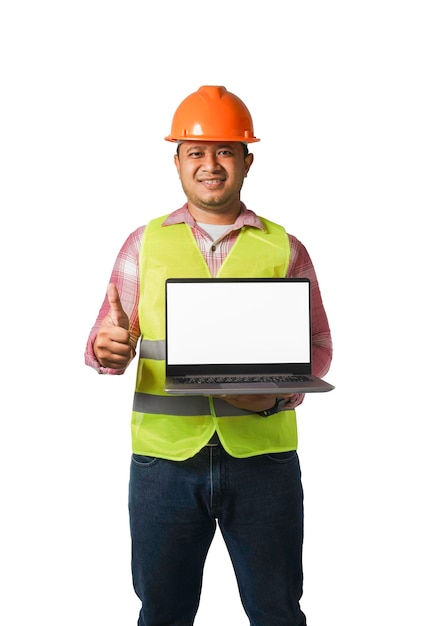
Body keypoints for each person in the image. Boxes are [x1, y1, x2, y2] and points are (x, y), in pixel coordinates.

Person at [85, 85, 333, 626]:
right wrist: (108, 348)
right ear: (177, 161)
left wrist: (271, 397)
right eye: (196, 152)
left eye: (225, 150)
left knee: (277, 613)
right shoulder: (143, 243)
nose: (210, 164)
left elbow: (318, 349)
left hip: (263, 463)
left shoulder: (284, 247)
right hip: (164, 464)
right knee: (163, 613)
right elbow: (107, 343)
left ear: (247, 160)